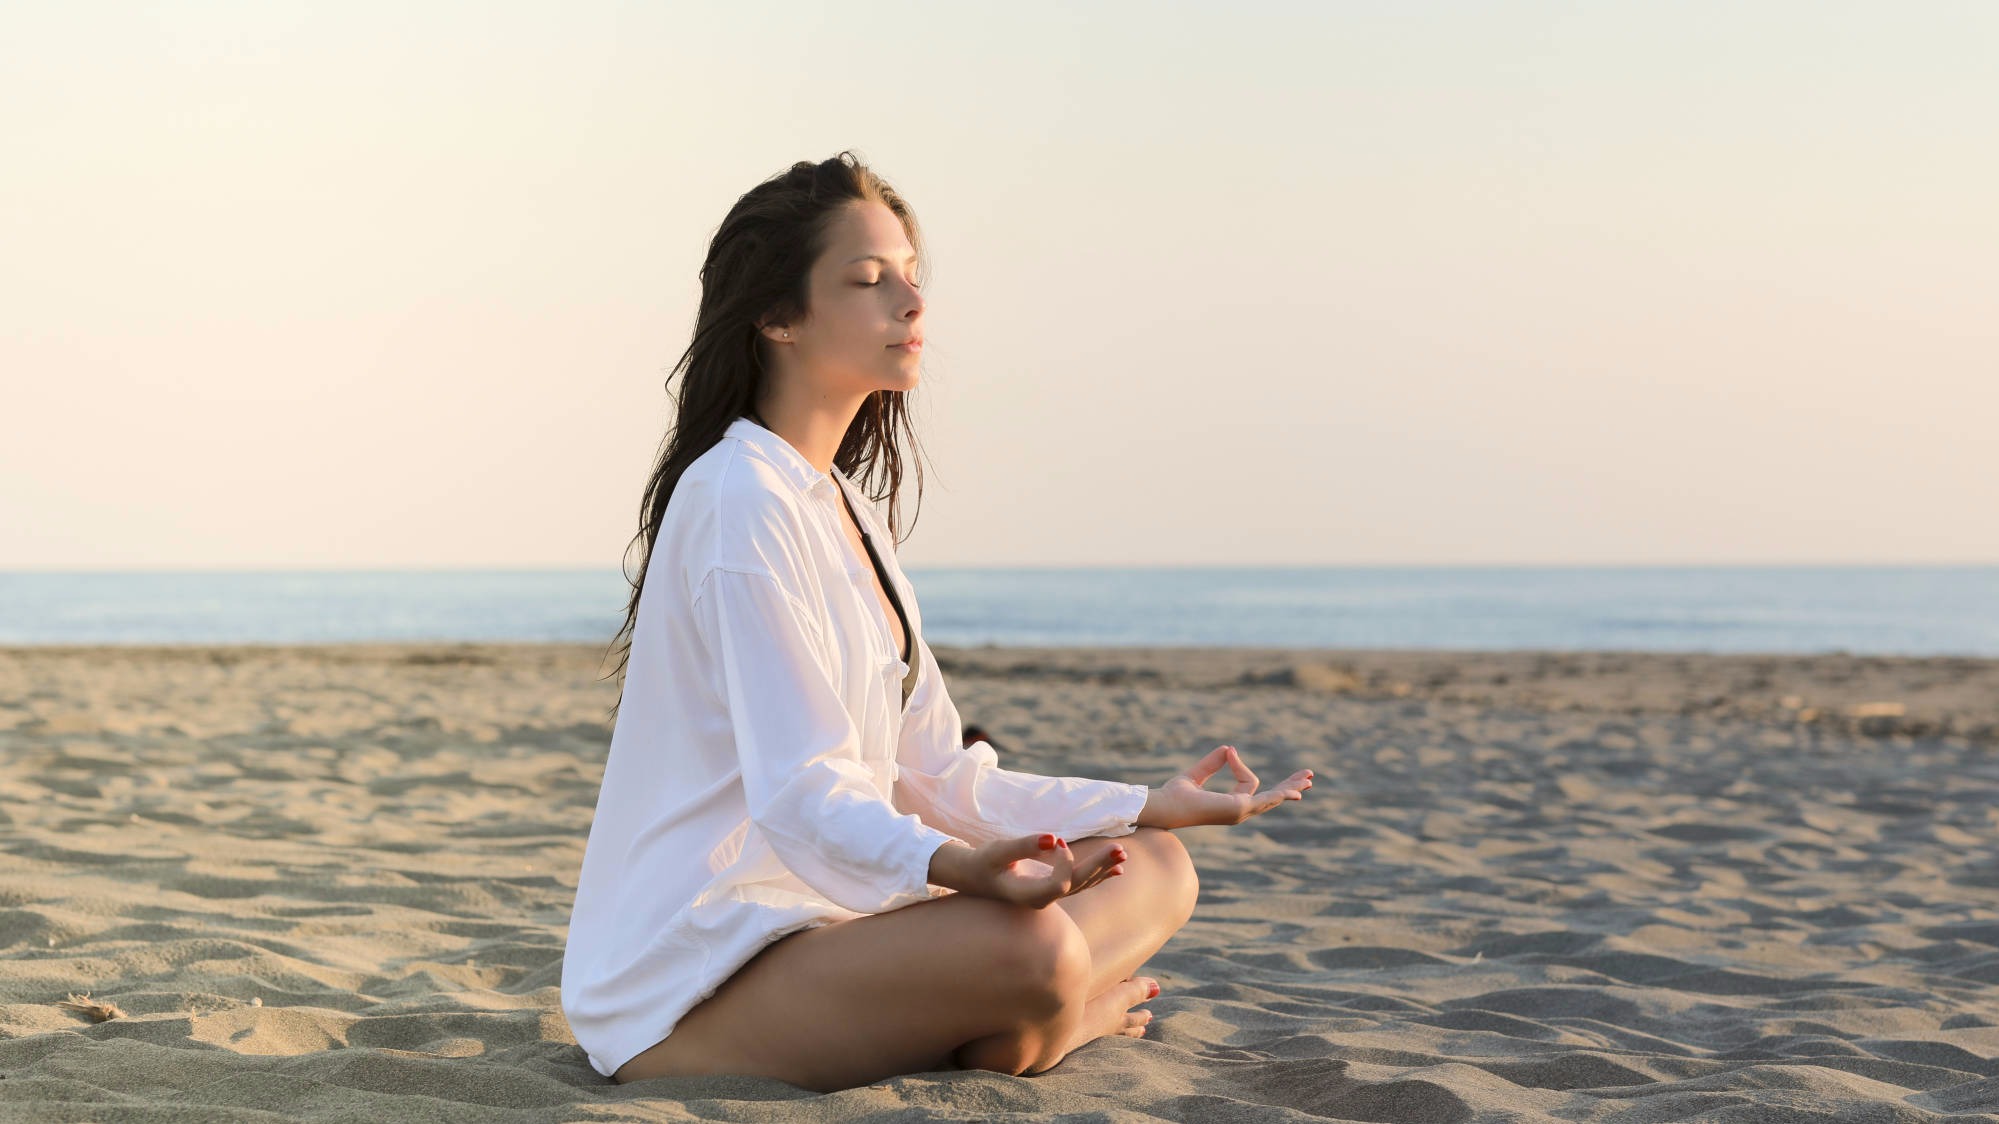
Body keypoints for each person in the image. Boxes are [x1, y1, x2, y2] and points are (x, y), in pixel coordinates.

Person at [559, 152, 1314, 1093]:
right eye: (869, 281)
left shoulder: (844, 508)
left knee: (1157, 864)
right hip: (698, 979)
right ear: (777, 316)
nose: (911, 304)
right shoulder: (737, 500)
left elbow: (938, 773)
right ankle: (1048, 1029)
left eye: (913, 278)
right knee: (1034, 953)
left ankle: (1018, 1020)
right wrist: (959, 869)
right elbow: (801, 794)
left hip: (835, 935)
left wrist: (1141, 802)